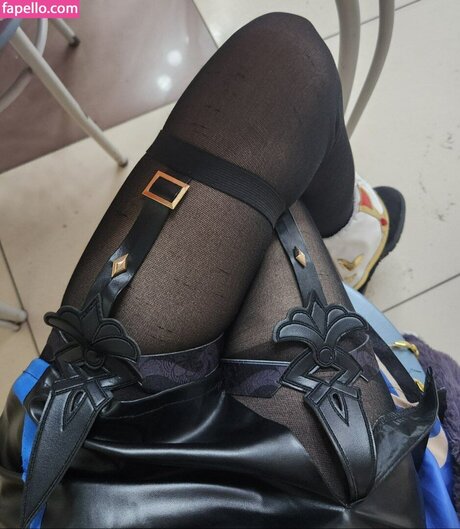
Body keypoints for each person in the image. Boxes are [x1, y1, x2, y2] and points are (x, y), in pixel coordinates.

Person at [0, 13, 449, 529]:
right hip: (323, 506)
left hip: (79, 481)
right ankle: (347, 235)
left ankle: (346, 235)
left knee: (277, 99)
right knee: (282, 122)